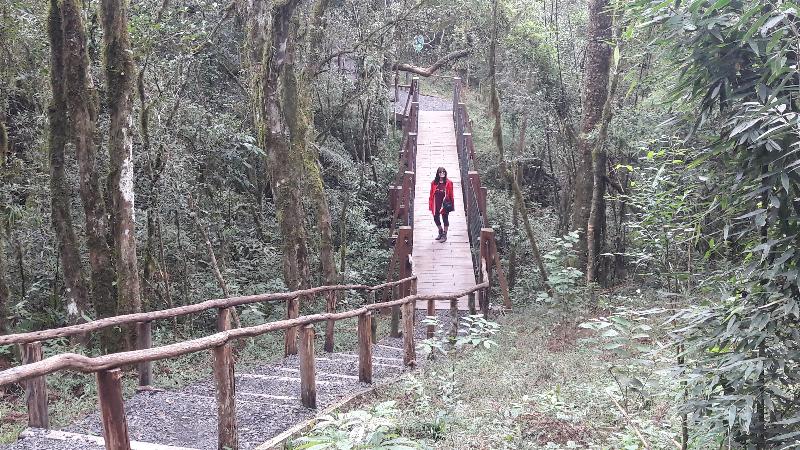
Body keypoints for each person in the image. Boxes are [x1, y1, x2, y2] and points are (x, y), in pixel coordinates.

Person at [428, 167, 454, 243]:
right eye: (440, 172)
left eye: (443, 172)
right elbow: (431, 193)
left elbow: (451, 195)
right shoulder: (434, 183)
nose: (442, 173)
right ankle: (440, 231)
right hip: (436, 203)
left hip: (445, 204)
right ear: (438, 173)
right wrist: (430, 204)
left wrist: (452, 205)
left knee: (445, 219)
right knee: (436, 218)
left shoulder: (449, 182)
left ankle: (445, 235)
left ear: (445, 173)